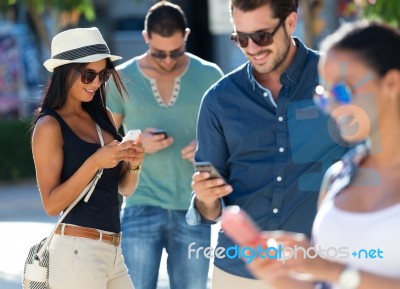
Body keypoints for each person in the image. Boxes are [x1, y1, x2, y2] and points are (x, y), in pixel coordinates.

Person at [186, 0, 349, 288]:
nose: (251, 48)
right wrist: (205, 198)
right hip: (237, 272)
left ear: (289, 22)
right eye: (240, 38)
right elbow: (210, 211)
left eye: (261, 36)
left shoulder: (337, 80)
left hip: (319, 269)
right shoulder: (218, 101)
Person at [243, 20, 400, 289]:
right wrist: (277, 274)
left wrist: (336, 271)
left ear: (392, 83)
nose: (333, 106)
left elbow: (334, 273)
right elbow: (322, 282)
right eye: (324, 93)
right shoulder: (338, 176)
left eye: (343, 90)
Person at [106, 2, 223, 289]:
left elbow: (231, 137)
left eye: (176, 51)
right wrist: (134, 141)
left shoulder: (210, 75)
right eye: (160, 53)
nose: (168, 60)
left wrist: (207, 146)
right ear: (146, 37)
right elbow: (103, 144)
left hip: (195, 207)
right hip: (139, 205)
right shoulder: (120, 78)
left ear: (186, 35)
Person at [32, 27, 145, 289]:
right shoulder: (49, 126)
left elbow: (124, 188)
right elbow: (51, 205)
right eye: (88, 75)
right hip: (77, 251)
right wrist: (95, 161)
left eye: (103, 74)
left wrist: (135, 163)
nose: (96, 83)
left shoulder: (102, 117)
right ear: (65, 73)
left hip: (113, 250)